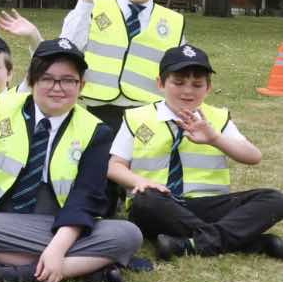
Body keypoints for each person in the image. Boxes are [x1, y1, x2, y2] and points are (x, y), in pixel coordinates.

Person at [0, 39, 141, 282]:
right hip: (1, 217)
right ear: (32, 81)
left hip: (62, 223)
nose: (58, 88)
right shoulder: (2, 107)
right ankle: (85, 269)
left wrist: (58, 248)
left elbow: (86, 196)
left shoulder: (96, 131)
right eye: (47, 78)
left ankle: (23, 271)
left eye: (68, 80)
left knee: (128, 234)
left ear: (81, 85)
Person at [108, 45, 283, 260]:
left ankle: (192, 243)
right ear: (160, 83)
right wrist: (139, 182)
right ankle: (246, 242)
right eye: (178, 83)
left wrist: (215, 139)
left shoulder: (217, 118)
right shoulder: (136, 117)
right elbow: (115, 166)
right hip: (160, 202)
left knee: (273, 199)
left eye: (197, 84)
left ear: (208, 88)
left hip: (207, 204)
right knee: (145, 200)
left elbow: (254, 157)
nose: (188, 91)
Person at [59, 0, 185, 129]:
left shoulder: (173, 22)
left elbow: (178, 73)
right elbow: (67, 47)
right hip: (97, 109)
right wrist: (86, 2)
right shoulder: (93, 6)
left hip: (147, 113)